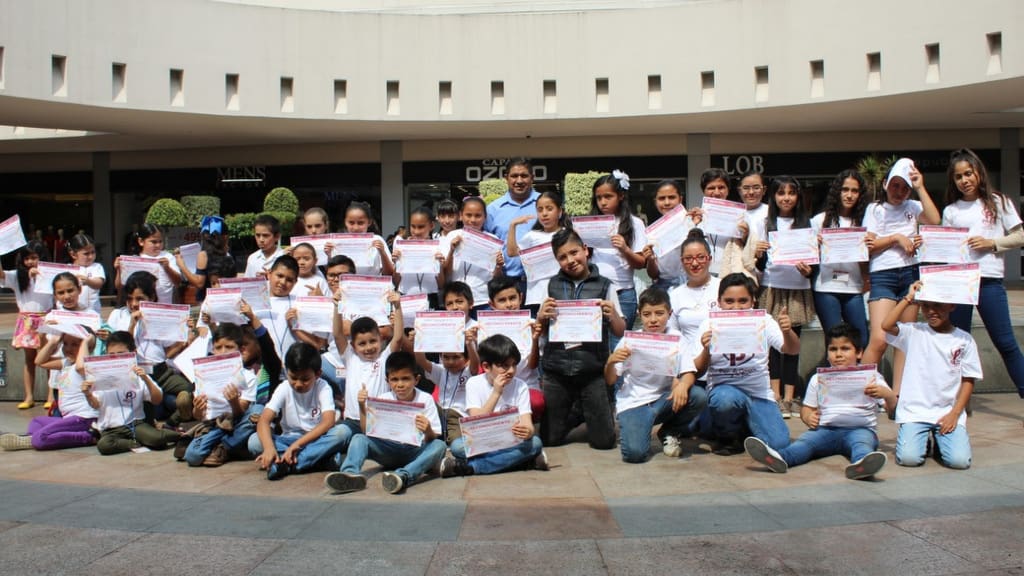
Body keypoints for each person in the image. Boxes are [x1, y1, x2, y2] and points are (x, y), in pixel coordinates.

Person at [744, 323, 894, 479]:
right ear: (827, 353)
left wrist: (888, 395)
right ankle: (778, 458)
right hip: (826, 430)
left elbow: (892, 412)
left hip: (860, 429)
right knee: (805, 444)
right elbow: (807, 409)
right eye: (833, 349)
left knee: (862, 445)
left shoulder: (872, 378)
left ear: (859, 353)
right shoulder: (818, 379)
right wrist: (808, 417)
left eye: (845, 349)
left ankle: (862, 466)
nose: (838, 354)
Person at [679, 273, 798, 454]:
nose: (736, 307)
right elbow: (697, 370)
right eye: (729, 301)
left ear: (753, 301)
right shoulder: (709, 324)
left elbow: (792, 349)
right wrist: (706, 350)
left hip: (759, 395)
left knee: (779, 444)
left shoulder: (763, 321)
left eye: (743, 301)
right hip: (724, 393)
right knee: (724, 400)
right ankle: (728, 437)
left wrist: (787, 332)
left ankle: (743, 426)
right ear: (719, 302)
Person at [942, 148, 1024, 397]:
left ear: (979, 172)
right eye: (958, 176)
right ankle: (957, 404)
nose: (964, 180)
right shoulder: (951, 210)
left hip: (989, 281)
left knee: (1006, 342)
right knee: (957, 346)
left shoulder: (998, 201)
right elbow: (945, 249)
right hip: (959, 283)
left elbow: (1020, 235)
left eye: (968, 173)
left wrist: (992, 243)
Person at [538, 229, 625, 450]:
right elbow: (542, 329)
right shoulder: (550, 286)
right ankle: (579, 411)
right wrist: (541, 317)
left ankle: (588, 409)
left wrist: (612, 315)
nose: (570, 260)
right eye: (562, 257)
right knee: (549, 440)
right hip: (557, 370)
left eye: (574, 252)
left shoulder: (606, 285)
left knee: (604, 442)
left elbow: (620, 330)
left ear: (585, 250)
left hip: (592, 370)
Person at [861, 157, 941, 394]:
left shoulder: (913, 206)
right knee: (879, 338)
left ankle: (898, 396)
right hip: (883, 275)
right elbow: (867, 246)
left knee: (905, 339)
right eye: (895, 185)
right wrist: (896, 238)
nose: (899, 191)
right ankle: (860, 392)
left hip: (910, 274)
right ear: (885, 183)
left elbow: (935, 220)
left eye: (905, 187)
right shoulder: (875, 209)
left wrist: (920, 187)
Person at [883, 281, 980, 469]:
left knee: (959, 461)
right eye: (926, 306)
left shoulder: (964, 340)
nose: (931, 311)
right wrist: (908, 298)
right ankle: (922, 440)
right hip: (915, 412)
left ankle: (941, 442)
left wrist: (955, 413)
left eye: (938, 305)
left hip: (946, 412)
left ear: (951, 306)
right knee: (909, 459)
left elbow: (969, 380)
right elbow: (886, 325)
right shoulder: (914, 331)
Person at [606, 287, 707, 463]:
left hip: (663, 400)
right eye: (647, 314)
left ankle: (669, 431)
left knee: (698, 396)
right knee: (635, 455)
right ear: (639, 314)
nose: (653, 319)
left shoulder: (676, 338)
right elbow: (610, 380)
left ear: (669, 313)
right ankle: (634, 427)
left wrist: (683, 385)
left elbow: (689, 372)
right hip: (634, 403)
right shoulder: (629, 340)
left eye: (659, 313)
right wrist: (611, 362)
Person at [324, 351, 447, 494]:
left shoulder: (425, 399)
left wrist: (428, 430)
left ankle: (403, 476)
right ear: (387, 381)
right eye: (394, 379)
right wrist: (362, 406)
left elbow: (433, 437)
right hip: (388, 450)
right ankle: (349, 474)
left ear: (416, 379)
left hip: (414, 451)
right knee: (358, 438)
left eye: (405, 379)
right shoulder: (383, 399)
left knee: (439, 446)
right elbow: (366, 431)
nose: (400, 384)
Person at [749, 176, 817, 418]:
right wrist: (759, 254)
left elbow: (813, 264)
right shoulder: (765, 223)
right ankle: (775, 395)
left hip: (797, 288)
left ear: (798, 196)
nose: (786, 198)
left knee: (792, 342)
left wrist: (808, 270)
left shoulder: (807, 224)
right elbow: (758, 264)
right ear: (774, 196)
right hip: (772, 287)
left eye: (791, 193)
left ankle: (790, 397)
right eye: (781, 193)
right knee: (773, 344)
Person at [441, 334, 548, 476]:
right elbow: (476, 420)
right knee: (457, 447)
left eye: (514, 365)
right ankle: (523, 461)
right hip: (482, 441)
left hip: (509, 441)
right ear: (486, 366)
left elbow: (527, 423)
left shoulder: (520, 386)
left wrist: (527, 431)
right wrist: (496, 393)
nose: (511, 371)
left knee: (535, 442)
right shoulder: (474, 383)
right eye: (504, 366)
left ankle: (471, 467)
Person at [249, 342, 349, 480]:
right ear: (286, 372)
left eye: (305, 379)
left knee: (342, 432)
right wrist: (268, 448)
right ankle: (320, 460)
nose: (298, 384)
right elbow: (264, 420)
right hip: (288, 440)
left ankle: (286, 465)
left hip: (315, 439)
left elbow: (328, 422)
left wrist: (298, 444)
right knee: (254, 442)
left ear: (318, 374)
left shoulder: (323, 387)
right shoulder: (284, 388)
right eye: (293, 378)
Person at [81, 331, 181, 454]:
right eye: (111, 355)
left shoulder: (138, 376)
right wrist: (87, 394)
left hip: (136, 425)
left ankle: (181, 435)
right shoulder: (100, 377)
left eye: (121, 354)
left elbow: (157, 399)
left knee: (156, 439)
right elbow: (96, 405)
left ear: (133, 353)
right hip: (112, 429)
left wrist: (145, 378)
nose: (116, 359)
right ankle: (134, 443)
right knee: (104, 445)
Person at [119, 271, 197, 425]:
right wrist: (132, 324)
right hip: (138, 375)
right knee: (157, 408)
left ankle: (172, 422)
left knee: (191, 390)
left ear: (152, 298)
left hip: (161, 371)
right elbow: (124, 349)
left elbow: (168, 351)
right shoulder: (120, 316)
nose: (134, 304)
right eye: (130, 299)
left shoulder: (159, 317)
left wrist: (185, 335)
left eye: (140, 299)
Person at [0, 332, 97, 451]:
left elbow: (81, 367)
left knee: (40, 439)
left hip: (85, 418)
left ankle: (90, 437)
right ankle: (32, 439)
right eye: (65, 344)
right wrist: (54, 341)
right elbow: (39, 361)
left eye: (75, 344)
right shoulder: (65, 363)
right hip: (69, 418)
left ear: (88, 348)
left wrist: (86, 342)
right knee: (36, 421)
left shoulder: (87, 365)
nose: (68, 348)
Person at [182, 322, 262, 467]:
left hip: (236, 423)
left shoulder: (248, 377)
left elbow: (241, 413)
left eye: (229, 347)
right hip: (214, 426)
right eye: (218, 347)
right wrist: (198, 409)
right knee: (192, 456)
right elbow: (199, 416)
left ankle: (223, 447)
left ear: (241, 349)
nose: (223, 351)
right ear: (212, 349)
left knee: (257, 411)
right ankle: (230, 447)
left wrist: (234, 402)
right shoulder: (203, 376)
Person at [334, 292, 405, 451]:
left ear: (381, 339)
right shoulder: (350, 357)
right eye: (362, 344)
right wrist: (337, 306)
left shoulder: (384, 358)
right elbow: (338, 335)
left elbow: (398, 338)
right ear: (353, 346)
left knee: (363, 443)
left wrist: (397, 307)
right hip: (352, 421)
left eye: (373, 341)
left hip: (378, 421)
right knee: (337, 435)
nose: (368, 347)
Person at [811, 170, 870, 349]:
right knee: (834, 341)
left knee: (862, 340)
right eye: (845, 189)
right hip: (826, 287)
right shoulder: (819, 221)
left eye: (854, 191)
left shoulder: (865, 221)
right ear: (837, 191)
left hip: (854, 287)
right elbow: (808, 257)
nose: (849, 195)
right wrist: (814, 245)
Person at [589, 170, 647, 335]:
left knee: (619, 341)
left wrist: (625, 249)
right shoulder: (590, 222)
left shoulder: (634, 223)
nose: (603, 202)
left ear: (621, 196)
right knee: (595, 342)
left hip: (623, 293)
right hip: (594, 292)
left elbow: (641, 263)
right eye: (599, 198)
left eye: (608, 196)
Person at [0, 240, 54, 409]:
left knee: (48, 358)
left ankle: (51, 396)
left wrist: (41, 275)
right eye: (27, 258)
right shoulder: (17, 276)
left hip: (46, 319)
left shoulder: (50, 274)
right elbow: (1, 275)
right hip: (27, 321)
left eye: (34, 257)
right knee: (29, 359)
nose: (30, 262)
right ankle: (29, 396)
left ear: (42, 258)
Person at [484, 276, 544, 419]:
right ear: (492, 304)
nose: (509, 304)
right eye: (502, 300)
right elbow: (484, 367)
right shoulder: (484, 327)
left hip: (526, 384)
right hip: (494, 385)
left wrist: (535, 339)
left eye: (512, 298)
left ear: (521, 297)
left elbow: (533, 365)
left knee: (536, 403)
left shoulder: (532, 325)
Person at [485, 157, 541, 293]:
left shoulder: (544, 205)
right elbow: (487, 246)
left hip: (540, 281)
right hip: (505, 284)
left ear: (532, 178)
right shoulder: (493, 209)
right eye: (514, 176)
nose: (519, 181)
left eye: (524, 176)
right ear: (506, 178)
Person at [505, 190, 569, 308]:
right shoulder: (532, 235)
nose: (544, 214)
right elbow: (512, 252)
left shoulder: (568, 234)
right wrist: (513, 225)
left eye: (549, 209)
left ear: (559, 211)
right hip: (537, 296)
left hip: (563, 293)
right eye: (540, 210)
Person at [444, 196, 505, 311]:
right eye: (468, 215)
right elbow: (445, 272)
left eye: (478, 215)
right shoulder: (452, 236)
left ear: (485, 217)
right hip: (456, 301)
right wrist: (452, 250)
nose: (473, 220)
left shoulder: (492, 241)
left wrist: (498, 266)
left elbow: (496, 278)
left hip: (483, 299)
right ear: (461, 215)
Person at [642, 179, 699, 291]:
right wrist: (651, 260)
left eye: (672, 197)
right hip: (664, 286)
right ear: (655, 202)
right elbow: (653, 274)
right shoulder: (652, 233)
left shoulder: (692, 222)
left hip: (692, 283)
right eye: (661, 198)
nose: (667, 202)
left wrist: (695, 226)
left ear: (680, 199)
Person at [669, 229, 721, 347]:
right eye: (688, 259)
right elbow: (672, 335)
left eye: (701, 257)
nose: (695, 263)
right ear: (682, 261)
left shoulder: (723, 288)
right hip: (688, 355)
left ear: (709, 259)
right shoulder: (675, 295)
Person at [695, 168, 750, 279]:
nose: (716, 192)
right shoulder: (696, 217)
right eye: (711, 188)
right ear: (703, 191)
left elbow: (749, 247)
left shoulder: (741, 216)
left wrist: (745, 235)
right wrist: (693, 225)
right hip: (703, 275)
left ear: (728, 190)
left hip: (730, 273)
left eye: (721, 187)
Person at [393, 205, 447, 308]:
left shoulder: (439, 247)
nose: (416, 231)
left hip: (430, 298)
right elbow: (395, 282)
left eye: (421, 227)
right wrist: (397, 263)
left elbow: (441, 285)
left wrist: (439, 265)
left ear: (431, 225)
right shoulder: (401, 247)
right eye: (413, 226)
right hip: (406, 297)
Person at [114, 223, 181, 304]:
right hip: (139, 307)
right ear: (141, 241)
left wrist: (167, 268)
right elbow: (120, 287)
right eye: (154, 242)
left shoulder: (168, 257)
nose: (158, 245)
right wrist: (118, 270)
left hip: (163, 307)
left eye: (160, 241)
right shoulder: (134, 260)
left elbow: (177, 282)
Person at [176, 215, 235, 300]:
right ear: (225, 237)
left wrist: (182, 265)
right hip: (227, 299)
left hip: (207, 301)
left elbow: (199, 283)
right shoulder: (229, 255)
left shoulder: (203, 255)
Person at [335, 201, 395, 276]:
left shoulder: (377, 240)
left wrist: (382, 253)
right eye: (351, 223)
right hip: (345, 283)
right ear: (345, 222)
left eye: (360, 223)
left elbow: (389, 273)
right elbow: (332, 271)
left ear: (369, 222)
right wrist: (329, 254)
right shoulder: (339, 242)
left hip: (372, 283)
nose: (356, 228)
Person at [66, 233, 106, 315]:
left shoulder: (97, 267)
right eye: (86, 254)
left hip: (93, 313)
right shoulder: (67, 269)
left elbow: (99, 283)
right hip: (71, 313)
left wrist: (88, 281)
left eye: (93, 252)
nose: (91, 256)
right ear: (73, 254)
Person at [244, 214, 286, 278]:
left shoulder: (285, 257)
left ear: (277, 236)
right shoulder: (252, 259)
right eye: (258, 235)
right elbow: (247, 282)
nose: (261, 240)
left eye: (265, 235)